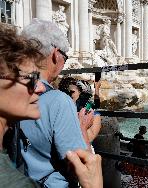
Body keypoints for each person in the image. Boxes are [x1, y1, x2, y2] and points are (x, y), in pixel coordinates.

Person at [0, 23, 102, 188]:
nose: (39, 87)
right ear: (56, 54)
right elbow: (80, 167)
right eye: (27, 77)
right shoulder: (59, 101)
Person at [58, 77, 102, 143]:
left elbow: (89, 138)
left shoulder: (93, 114)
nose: (68, 95)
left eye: (72, 92)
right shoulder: (62, 110)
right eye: (66, 92)